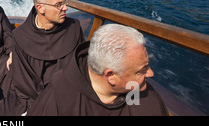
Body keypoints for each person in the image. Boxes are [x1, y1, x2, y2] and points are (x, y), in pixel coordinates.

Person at [28, 24, 168, 116]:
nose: (151, 74)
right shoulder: (58, 97)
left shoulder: (147, 97)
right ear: (111, 76)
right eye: (141, 71)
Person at [0, 0, 84, 116]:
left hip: (68, 96)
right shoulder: (20, 36)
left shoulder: (74, 28)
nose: (65, 8)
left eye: (64, 3)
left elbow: (80, 68)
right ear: (40, 8)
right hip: (32, 98)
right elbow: (23, 83)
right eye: (59, 5)